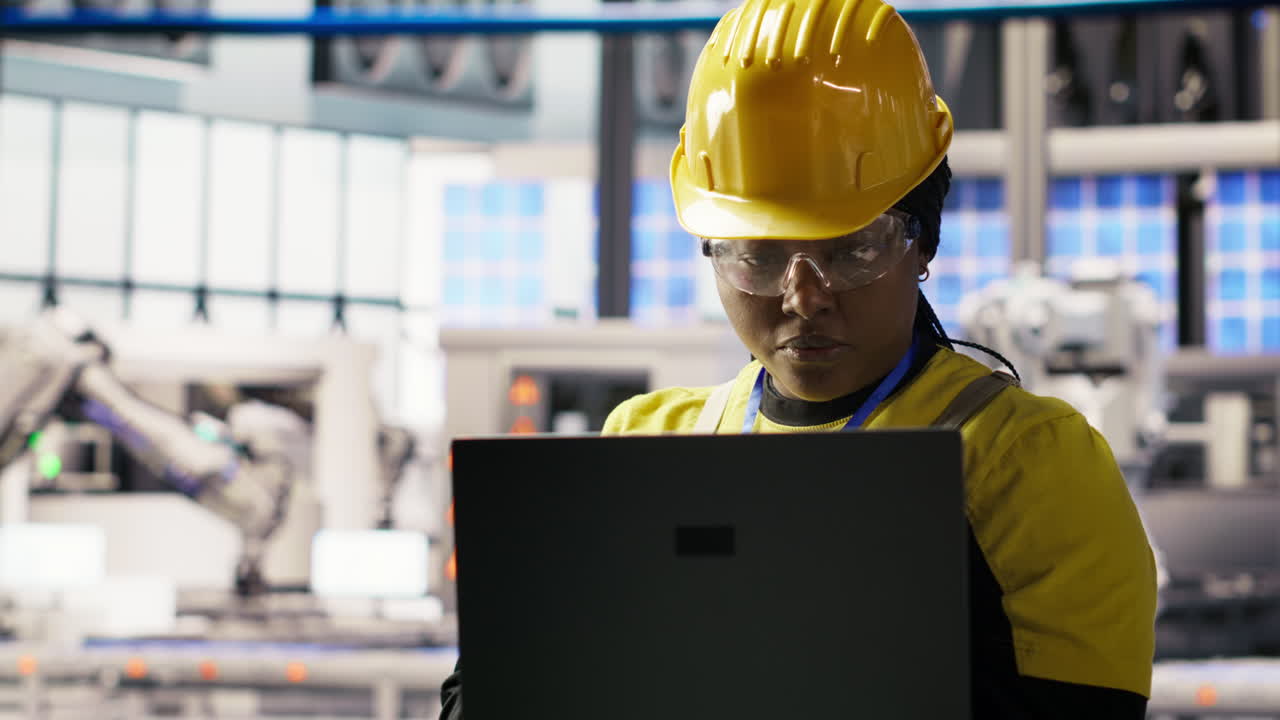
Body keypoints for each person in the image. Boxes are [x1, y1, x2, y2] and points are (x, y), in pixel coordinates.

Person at [439, 0, 1157, 716]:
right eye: (757, 257)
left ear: (925, 237)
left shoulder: (1026, 464)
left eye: (851, 249)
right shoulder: (648, 448)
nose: (803, 297)